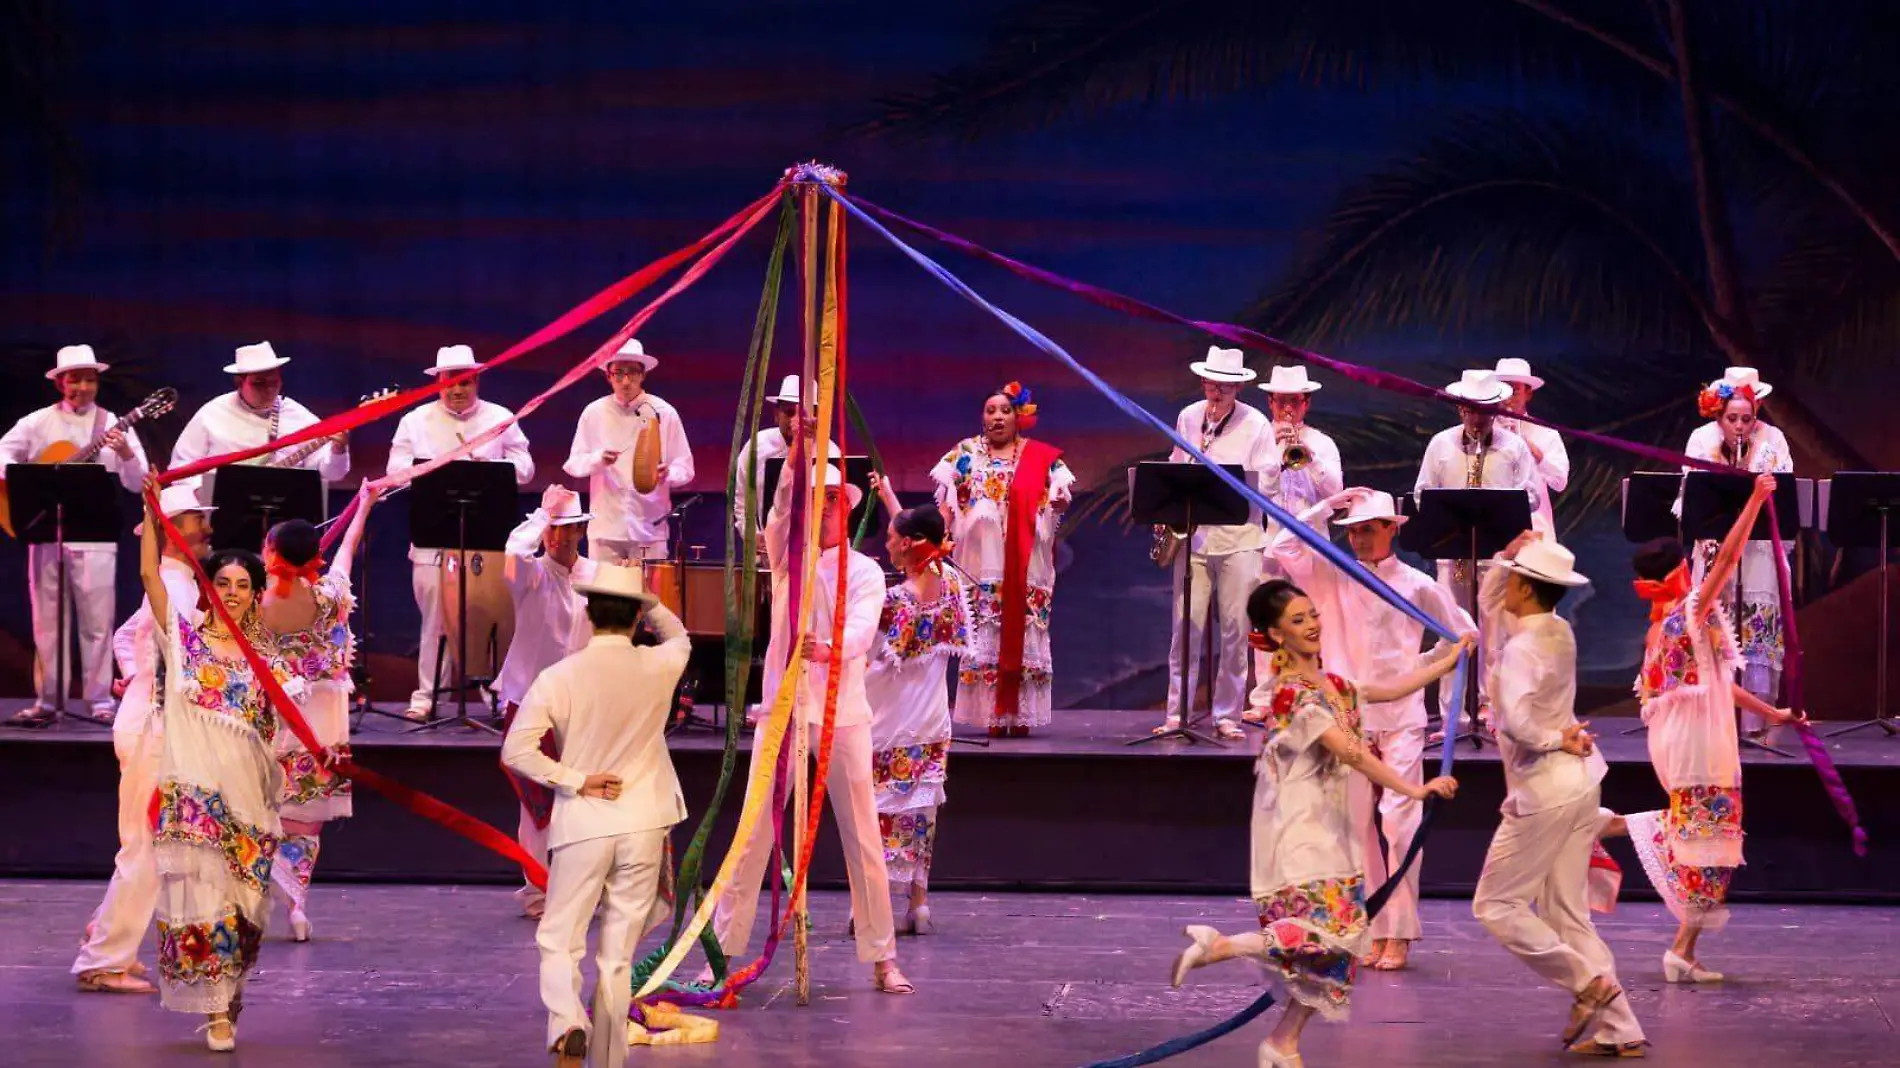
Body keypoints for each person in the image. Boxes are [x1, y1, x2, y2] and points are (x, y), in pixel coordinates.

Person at [1169, 580, 1465, 1068]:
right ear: (1275, 634)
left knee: (1339, 945)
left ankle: (1283, 1043)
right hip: (1298, 824)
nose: (1311, 626)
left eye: (1312, 615)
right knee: (1325, 932)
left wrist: (1446, 661)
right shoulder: (1291, 694)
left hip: (1331, 822)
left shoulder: (1334, 685)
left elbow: (1385, 690)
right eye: (1297, 621)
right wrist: (1414, 789)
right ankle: (1219, 946)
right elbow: (1350, 752)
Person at [713, 452, 914, 994]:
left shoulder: (866, 571)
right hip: (783, 713)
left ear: (845, 509)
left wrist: (831, 650)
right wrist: (800, 456)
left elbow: (863, 631)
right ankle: (724, 954)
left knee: (864, 839)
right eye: (814, 500)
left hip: (841, 716)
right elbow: (778, 510)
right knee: (753, 832)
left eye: (831, 500)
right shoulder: (785, 558)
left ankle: (882, 956)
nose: (822, 510)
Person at [1266, 488, 1474, 972]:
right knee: (1356, 829)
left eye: (1367, 529)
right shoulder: (1331, 573)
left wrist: (1419, 667)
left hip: (1399, 718)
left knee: (1398, 826)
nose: (1358, 538)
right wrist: (1327, 505)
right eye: (1353, 530)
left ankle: (1400, 931)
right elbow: (1282, 547)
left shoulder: (1418, 585)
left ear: (1391, 529)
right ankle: (1375, 927)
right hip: (1349, 720)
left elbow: (1464, 635)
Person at [501, 563, 690, 1068]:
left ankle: (566, 1023)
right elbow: (679, 635)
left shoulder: (559, 677)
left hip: (584, 822)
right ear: (636, 618)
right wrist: (649, 602)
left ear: (587, 612)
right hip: (643, 821)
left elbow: (516, 752)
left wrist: (575, 778)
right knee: (617, 956)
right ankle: (608, 1059)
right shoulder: (660, 663)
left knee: (561, 938)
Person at [1470, 531, 1647, 1057]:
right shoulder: (1558, 628)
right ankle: (1622, 1028)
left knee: (1496, 904)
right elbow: (1489, 601)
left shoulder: (1523, 648)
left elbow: (1518, 722)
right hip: (1581, 784)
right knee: (1568, 914)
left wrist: (1555, 737)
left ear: (1524, 590)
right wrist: (1507, 558)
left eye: (1514, 581)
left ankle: (1587, 983)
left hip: (1547, 789)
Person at [137, 474, 298, 1052]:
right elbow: (151, 576)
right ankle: (215, 1014)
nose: (231, 592)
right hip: (198, 796)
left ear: (257, 593)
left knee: (246, 908)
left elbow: (278, 733)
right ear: (211, 590)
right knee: (205, 901)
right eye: (222, 583)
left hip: (250, 803)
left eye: (242, 584)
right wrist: (151, 514)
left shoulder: (268, 660)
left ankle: (229, 993)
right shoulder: (185, 643)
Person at [1622, 473, 1800, 983]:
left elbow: (1718, 683)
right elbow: (1728, 556)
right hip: (1695, 743)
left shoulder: (1669, 622)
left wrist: (1772, 715)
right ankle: (1616, 827)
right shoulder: (1690, 612)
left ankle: (1684, 950)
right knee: (1711, 841)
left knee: (1710, 839)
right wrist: (1757, 498)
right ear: (1679, 571)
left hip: (1692, 736)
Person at [71, 481, 214, 994]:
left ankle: (106, 937)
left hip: (147, 720)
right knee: (148, 848)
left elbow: (129, 638)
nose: (208, 527)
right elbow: (184, 665)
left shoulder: (183, 584)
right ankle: (103, 958)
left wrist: (135, 673)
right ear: (176, 533)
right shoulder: (173, 588)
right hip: (156, 729)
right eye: (199, 520)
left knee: (142, 844)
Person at [1, 345, 151, 727]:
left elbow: (139, 482)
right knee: (45, 621)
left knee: (97, 623)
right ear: (60, 383)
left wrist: (127, 455)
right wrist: (22, 479)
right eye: (74, 379)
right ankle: (48, 699)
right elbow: (2, 454)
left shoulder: (111, 423)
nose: (82, 386)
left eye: (89, 379)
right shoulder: (36, 423)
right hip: (46, 530)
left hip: (95, 533)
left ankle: (99, 700)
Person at [386, 344, 535, 721]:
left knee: (489, 617)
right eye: (450, 382)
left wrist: (491, 467)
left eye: (465, 382)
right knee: (435, 620)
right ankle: (427, 695)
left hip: (487, 538)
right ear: (438, 382)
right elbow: (396, 472)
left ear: (476, 381)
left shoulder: (500, 417)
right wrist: (434, 469)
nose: (457, 390)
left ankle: (496, 695)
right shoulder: (415, 420)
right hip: (435, 537)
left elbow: (526, 467)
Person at [256, 488, 377, 943]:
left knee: (269, 805)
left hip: (281, 714)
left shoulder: (257, 603)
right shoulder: (331, 596)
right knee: (307, 817)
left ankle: (260, 890)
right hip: (325, 721)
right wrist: (362, 506)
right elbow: (347, 547)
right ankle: (298, 905)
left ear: (272, 553)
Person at [931, 382, 1072, 738]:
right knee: (986, 629)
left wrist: (1058, 503)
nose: (997, 417)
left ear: (1019, 417)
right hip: (983, 560)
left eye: (1005, 411)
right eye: (990, 410)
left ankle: (1020, 713)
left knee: (1025, 629)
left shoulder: (1039, 456)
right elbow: (946, 501)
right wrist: (939, 535)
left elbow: (1061, 492)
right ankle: (991, 713)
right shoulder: (964, 453)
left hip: (1026, 559)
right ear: (982, 416)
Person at [865, 472, 967, 934]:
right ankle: (918, 904)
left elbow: (872, 659)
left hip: (891, 722)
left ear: (908, 544)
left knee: (881, 812)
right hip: (931, 721)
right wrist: (889, 496)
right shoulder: (951, 587)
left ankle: (876, 906)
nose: (886, 544)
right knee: (921, 811)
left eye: (891, 539)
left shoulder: (894, 602)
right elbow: (919, 537)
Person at [1154, 347, 1270, 742]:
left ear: (1238, 386)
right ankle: (1178, 713)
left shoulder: (1256, 424)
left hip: (1241, 538)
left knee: (1236, 629)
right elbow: (1175, 462)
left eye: (1224, 385)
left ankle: (1227, 714)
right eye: (1210, 383)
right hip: (1196, 536)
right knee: (1185, 627)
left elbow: (1265, 483)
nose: (1216, 392)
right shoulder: (1189, 416)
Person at [494, 485, 599, 919]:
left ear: (579, 532)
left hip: (583, 704)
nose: (557, 539)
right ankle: (537, 891)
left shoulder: (597, 576)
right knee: (536, 803)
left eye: (565, 530)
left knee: (586, 798)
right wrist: (542, 515)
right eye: (551, 531)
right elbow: (514, 552)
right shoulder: (531, 576)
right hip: (532, 702)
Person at [1680, 367, 1792, 738]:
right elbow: (1693, 490)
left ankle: (1756, 722)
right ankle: (1713, 719)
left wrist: (1754, 460)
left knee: (1756, 623)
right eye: (1733, 418)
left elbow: (1782, 488)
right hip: (1715, 545)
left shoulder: (1773, 438)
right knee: (1715, 626)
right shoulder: (1701, 439)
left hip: (1757, 548)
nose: (1741, 425)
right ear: (1719, 414)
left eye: (1748, 417)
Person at [564, 338, 694, 564]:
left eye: (632, 373)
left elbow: (685, 467)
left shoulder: (663, 412)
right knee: (604, 597)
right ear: (608, 376)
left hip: (648, 529)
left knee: (649, 597)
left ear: (643, 375)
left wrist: (667, 473)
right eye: (618, 373)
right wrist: (598, 459)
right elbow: (574, 463)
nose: (625, 381)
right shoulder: (594, 412)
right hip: (606, 528)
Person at [170, 341, 351, 490]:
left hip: (284, 514)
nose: (269, 389)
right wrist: (204, 490)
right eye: (259, 383)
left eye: (274, 382)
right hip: (220, 513)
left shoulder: (299, 417)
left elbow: (332, 474)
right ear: (239, 382)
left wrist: (338, 450)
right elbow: (180, 467)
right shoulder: (212, 413)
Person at [1254, 364, 1344, 572]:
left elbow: (1336, 495)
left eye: (1294, 401)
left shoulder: (1323, 443)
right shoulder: (1256, 440)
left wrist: (1312, 459)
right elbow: (1251, 492)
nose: (1287, 408)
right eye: (1281, 401)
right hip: (1267, 547)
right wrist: (1270, 448)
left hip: (1313, 547)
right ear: (1270, 401)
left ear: (1307, 403)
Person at [1492, 359, 1569, 535]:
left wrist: (1534, 451)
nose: (1508, 397)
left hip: (1535, 529)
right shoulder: (1483, 429)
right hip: (1492, 531)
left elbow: (1560, 481)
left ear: (1529, 394)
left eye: (1515, 390)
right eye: (1504, 389)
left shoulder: (1545, 432)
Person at [732, 374, 808, 537]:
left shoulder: (828, 451)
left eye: (801, 414)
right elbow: (741, 497)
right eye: (788, 412)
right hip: (765, 546)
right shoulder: (757, 446)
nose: (795, 421)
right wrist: (752, 536)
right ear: (776, 414)